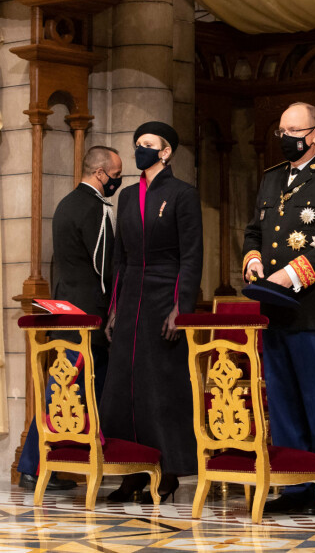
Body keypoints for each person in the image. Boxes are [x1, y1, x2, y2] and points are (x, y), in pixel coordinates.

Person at [243, 102, 315, 514]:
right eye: (281, 130)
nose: (285, 138)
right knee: (283, 402)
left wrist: (291, 274)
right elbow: (254, 229)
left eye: (294, 131)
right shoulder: (272, 179)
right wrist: (254, 259)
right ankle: (294, 488)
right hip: (275, 311)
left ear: (314, 135)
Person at [99, 121, 203, 503]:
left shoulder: (182, 194)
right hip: (131, 299)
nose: (139, 149)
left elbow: (192, 257)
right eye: (136, 143)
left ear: (165, 152)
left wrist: (182, 307)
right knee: (124, 389)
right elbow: (120, 258)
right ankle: (131, 473)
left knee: (161, 388)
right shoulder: (126, 196)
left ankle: (168, 471)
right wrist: (114, 308)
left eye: (148, 144)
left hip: (165, 295)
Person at [18, 146, 122, 490]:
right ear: (100, 174)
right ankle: (36, 464)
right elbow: (105, 267)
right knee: (67, 389)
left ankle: (56, 463)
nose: (118, 182)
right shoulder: (94, 208)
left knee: (71, 387)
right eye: (116, 175)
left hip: (66, 310)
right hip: (90, 316)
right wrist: (115, 308)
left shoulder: (65, 204)